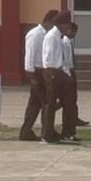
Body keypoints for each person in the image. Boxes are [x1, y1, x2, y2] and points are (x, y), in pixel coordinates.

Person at [19, 10, 57, 142]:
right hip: (37, 72)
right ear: (49, 21)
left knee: (40, 103)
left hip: (44, 72)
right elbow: (29, 55)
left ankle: (43, 130)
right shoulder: (35, 34)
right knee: (39, 103)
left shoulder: (48, 34)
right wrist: (32, 77)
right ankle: (31, 131)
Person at [40, 10, 73, 144]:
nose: (67, 28)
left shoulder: (58, 36)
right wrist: (55, 73)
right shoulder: (52, 36)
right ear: (60, 24)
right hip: (53, 72)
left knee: (64, 102)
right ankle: (47, 134)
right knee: (50, 104)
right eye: (66, 25)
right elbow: (50, 58)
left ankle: (61, 132)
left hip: (59, 72)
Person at [59, 22, 81, 142]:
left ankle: (70, 130)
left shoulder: (69, 42)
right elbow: (65, 61)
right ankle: (67, 132)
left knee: (72, 101)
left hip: (70, 71)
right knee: (68, 103)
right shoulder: (64, 42)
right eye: (73, 32)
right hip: (67, 73)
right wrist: (69, 75)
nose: (74, 34)